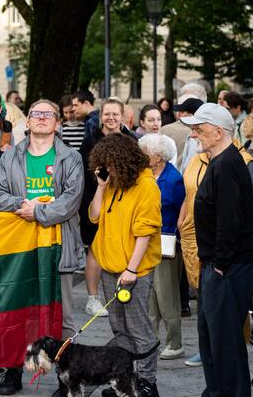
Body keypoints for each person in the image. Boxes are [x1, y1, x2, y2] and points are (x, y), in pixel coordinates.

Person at [0, 99, 86, 396]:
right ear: (27, 121)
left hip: (59, 245)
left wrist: (39, 212)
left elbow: (71, 200)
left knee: (64, 317)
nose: (42, 118)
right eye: (36, 114)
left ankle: (65, 379)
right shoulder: (12, 155)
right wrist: (22, 205)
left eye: (48, 115)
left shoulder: (70, 158)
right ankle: (12, 371)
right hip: (20, 248)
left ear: (58, 123)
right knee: (17, 311)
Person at [182, 103, 253, 397]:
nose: (194, 135)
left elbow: (230, 218)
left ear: (217, 133)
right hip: (219, 262)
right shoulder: (221, 160)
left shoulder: (227, 164)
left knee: (224, 337)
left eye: (198, 129)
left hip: (227, 264)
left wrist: (220, 263)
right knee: (212, 335)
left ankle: (229, 393)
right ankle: (217, 391)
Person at [89, 133, 162, 397]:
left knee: (139, 329)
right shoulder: (112, 184)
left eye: (109, 164)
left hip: (134, 271)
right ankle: (126, 382)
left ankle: (147, 382)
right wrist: (100, 185)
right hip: (110, 268)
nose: (106, 169)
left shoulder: (146, 185)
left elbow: (146, 232)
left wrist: (131, 269)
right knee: (120, 330)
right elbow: (95, 216)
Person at [79, 98, 135, 317]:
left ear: (123, 116)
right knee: (95, 248)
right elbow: (85, 172)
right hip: (97, 198)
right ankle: (93, 298)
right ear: (100, 115)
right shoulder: (91, 139)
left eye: (115, 114)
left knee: (123, 245)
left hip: (124, 201)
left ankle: (120, 293)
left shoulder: (130, 140)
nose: (111, 118)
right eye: (107, 114)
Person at [139, 134, 185, 361]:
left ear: (158, 156)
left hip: (167, 243)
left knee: (167, 296)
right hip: (147, 243)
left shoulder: (174, 178)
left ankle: (175, 343)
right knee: (150, 297)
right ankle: (152, 340)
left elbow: (180, 210)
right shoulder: (145, 175)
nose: (142, 156)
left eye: (146, 152)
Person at [161, 97, 204, 171]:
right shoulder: (201, 136)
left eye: (182, 111)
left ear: (192, 115)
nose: (179, 113)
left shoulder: (164, 129)